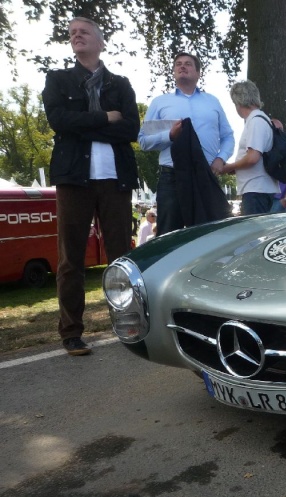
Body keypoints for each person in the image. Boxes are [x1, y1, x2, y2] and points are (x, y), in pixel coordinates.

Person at [42, 17, 139, 356]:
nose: (76, 36)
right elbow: (58, 121)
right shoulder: (58, 80)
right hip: (73, 179)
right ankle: (71, 332)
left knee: (121, 258)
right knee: (71, 259)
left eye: (83, 31)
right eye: (71, 33)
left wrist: (83, 125)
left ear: (100, 41)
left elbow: (129, 129)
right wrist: (103, 118)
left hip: (115, 180)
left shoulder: (119, 84)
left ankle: (129, 324)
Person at [138, 52, 234, 234]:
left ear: (198, 73)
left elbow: (228, 136)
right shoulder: (160, 103)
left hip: (205, 175)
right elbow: (143, 141)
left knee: (210, 234)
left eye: (188, 64)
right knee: (168, 236)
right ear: (174, 72)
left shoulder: (213, 102)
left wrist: (221, 159)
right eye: (178, 64)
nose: (182, 66)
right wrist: (170, 136)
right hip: (171, 177)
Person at [218, 80, 279, 215]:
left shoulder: (255, 121)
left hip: (256, 190)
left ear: (238, 102)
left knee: (254, 234)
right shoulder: (261, 119)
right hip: (260, 189)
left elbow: (253, 157)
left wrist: (230, 166)